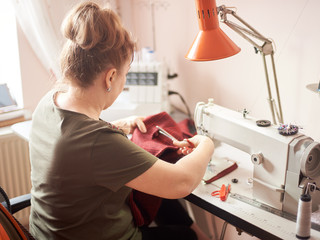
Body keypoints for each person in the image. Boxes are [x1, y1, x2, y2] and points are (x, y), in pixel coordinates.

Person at [29, 1, 214, 240]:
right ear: (111, 77)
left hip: (46, 233)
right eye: (125, 74)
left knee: (152, 182)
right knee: (185, 235)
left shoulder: (49, 102)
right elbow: (182, 182)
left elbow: (78, 149)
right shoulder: (98, 142)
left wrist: (115, 126)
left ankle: (198, 233)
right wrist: (207, 143)